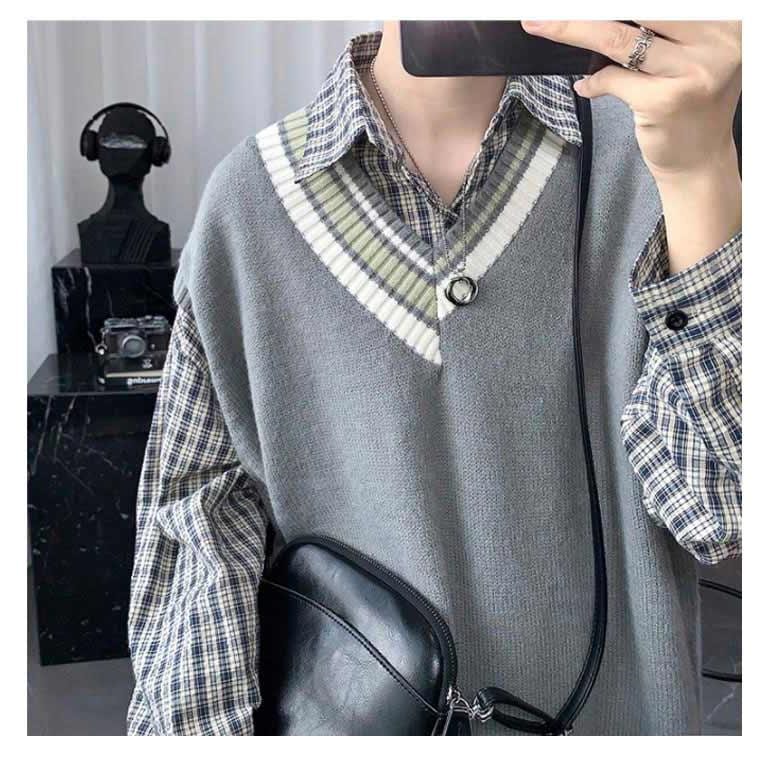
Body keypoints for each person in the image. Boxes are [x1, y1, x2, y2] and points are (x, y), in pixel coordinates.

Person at [126, 21, 742, 735]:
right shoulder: (250, 203)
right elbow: (195, 542)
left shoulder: (658, 154)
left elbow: (719, 509)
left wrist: (700, 172)